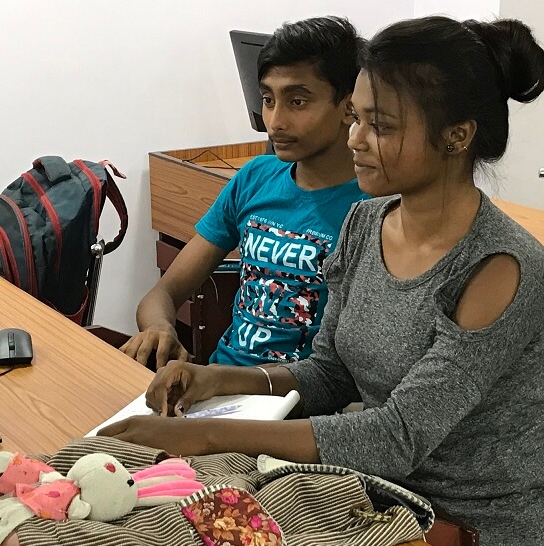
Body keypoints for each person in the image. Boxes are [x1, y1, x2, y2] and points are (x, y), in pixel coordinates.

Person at [102, 15, 544, 546]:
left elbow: (394, 436)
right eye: (356, 117)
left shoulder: (501, 267)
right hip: (383, 512)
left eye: (379, 126)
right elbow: (330, 373)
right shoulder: (366, 224)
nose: (355, 139)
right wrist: (217, 381)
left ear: (457, 136)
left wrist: (198, 433)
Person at [120, 16, 369, 368]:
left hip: (299, 406)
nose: (275, 121)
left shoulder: (373, 207)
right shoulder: (255, 177)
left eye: (297, 102)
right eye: (268, 100)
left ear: (348, 107)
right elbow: (162, 292)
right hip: (218, 385)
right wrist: (160, 329)